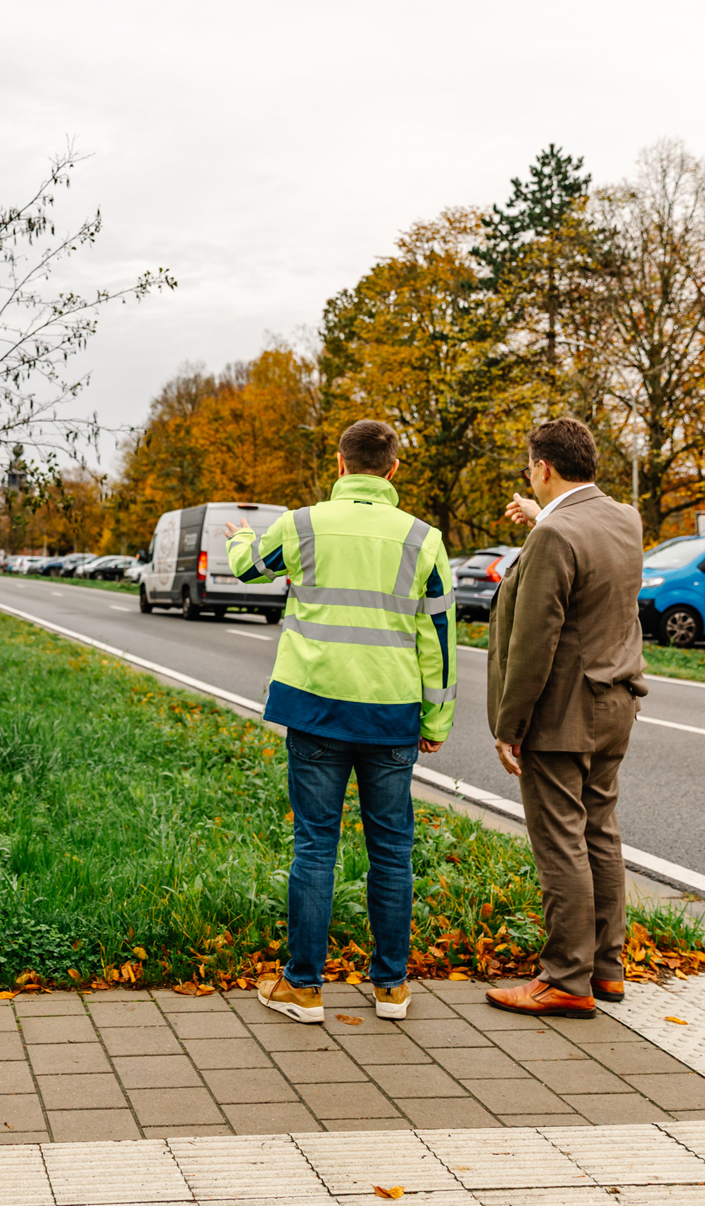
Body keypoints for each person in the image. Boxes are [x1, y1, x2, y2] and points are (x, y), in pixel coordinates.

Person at [224, 419, 456, 1024]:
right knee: (392, 851)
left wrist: (238, 538)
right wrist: (437, 716)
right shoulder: (423, 539)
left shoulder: (303, 524)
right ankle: (392, 989)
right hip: (390, 713)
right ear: (394, 469)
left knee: (315, 847)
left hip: (316, 706)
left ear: (340, 463)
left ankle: (303, 988)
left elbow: (250, 570)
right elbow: (439, 638)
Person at [485, 417, 647, 1019]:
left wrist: (510, 725)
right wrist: (543, 515)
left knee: (560, 842)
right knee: (600, 832)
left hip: (563, 714)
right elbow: (583, 544)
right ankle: (607, 968)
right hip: (617, 700)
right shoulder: (624, 518)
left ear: (543, 468)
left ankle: (565, 978)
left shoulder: (555, 538)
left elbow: (535, 643)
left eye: (532, 469)